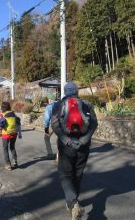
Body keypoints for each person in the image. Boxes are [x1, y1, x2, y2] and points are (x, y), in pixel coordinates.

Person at [51, 82, 98, 220]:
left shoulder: (57, 105)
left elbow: (55, 124)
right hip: (83, 145)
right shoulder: (87, 104)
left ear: (65, 91)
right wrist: (84, 140)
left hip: (66, 145)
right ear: (77, 91)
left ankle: (73, 203)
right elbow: (94, 123)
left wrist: (66, 140)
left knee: (65, 174)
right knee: (78, 174)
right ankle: (72, 203)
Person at [0, 102, 22, 171]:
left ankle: (8, 165)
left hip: (5, 134)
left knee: (5, 149)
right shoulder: (14, 114)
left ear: (2, 108)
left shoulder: (2, 115)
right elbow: (18, 124)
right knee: (12, 147)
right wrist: (19, 133)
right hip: (14, 133)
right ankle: (15, 161)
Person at [44, 94, 57, 160]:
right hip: (60, 125)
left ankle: (50, 154)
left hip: (52, 125)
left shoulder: (49, 107)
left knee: (46, 138)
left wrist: (46, 127)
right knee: (59, 140)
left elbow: (47, 118)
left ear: (50, 99)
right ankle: (59, 156)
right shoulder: (60, 104)